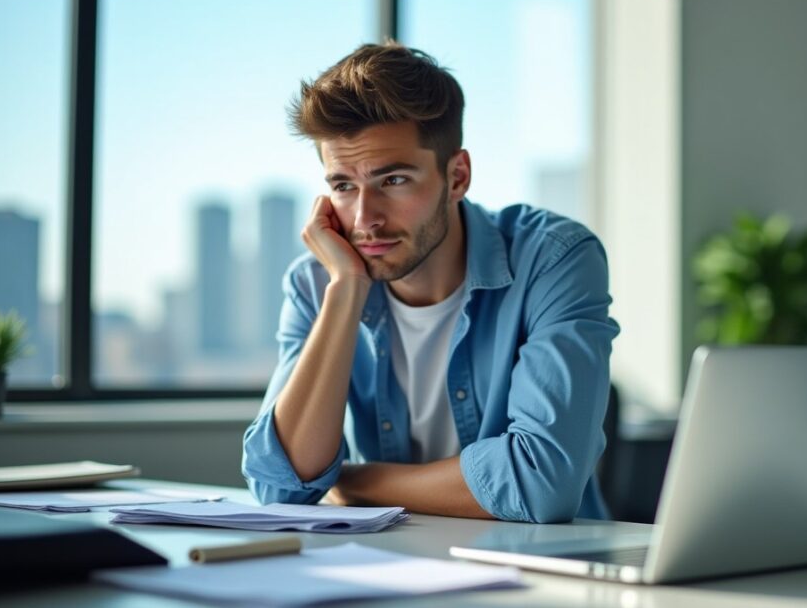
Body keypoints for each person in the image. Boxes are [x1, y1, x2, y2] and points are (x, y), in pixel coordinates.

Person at [242, 41, 619, 523]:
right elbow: (278, 485)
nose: (365, 219)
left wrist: (348, 481)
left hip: (543, 572)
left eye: (393, 180)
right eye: (343, 186)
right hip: (389, 573)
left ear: (457, 176)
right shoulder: (317, 283)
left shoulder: (553, 259)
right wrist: (345, 292)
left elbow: (541, 483)